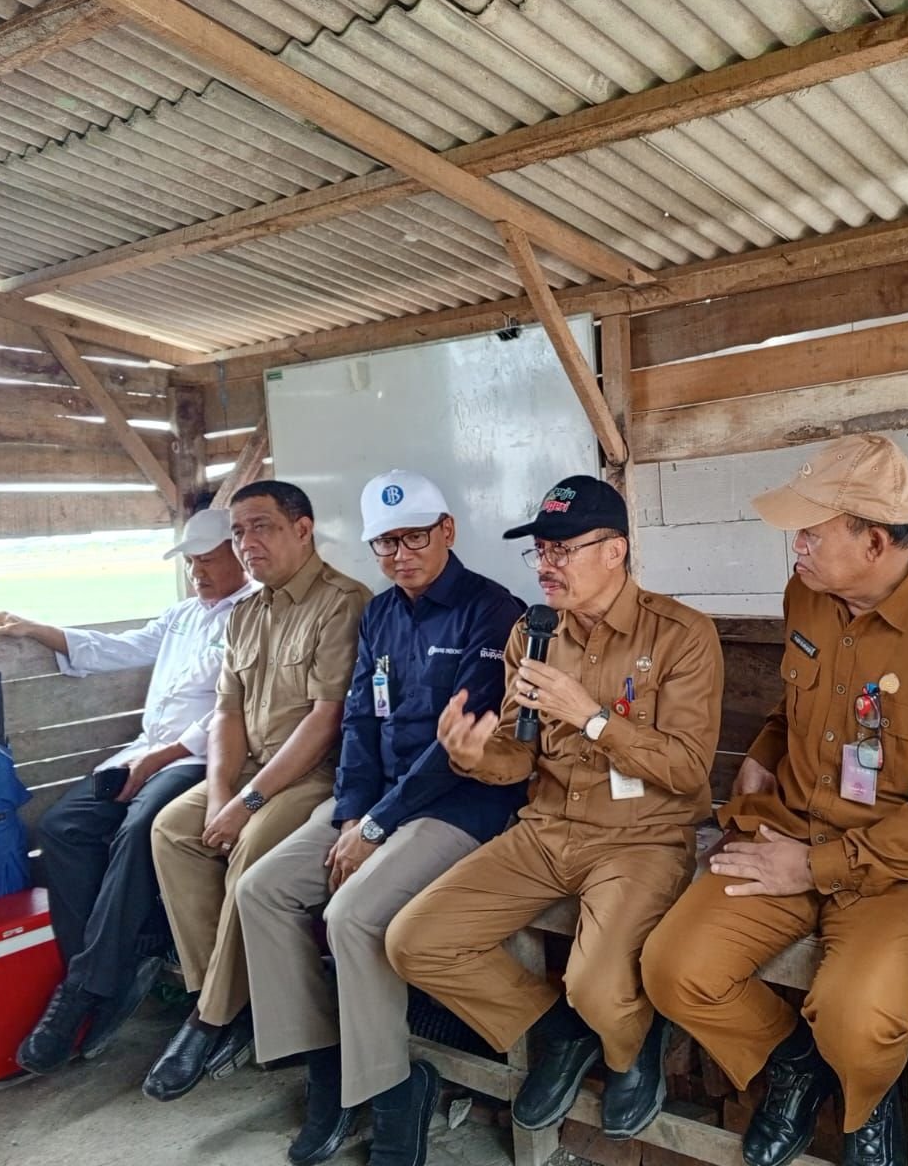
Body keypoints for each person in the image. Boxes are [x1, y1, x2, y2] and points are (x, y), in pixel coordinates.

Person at [641, 434, 908, 1166]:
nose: (795, 547)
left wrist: (811, 868)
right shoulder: (808, 595)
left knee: (854, 1016)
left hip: (902, 871)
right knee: (672, 967)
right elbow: (797, 707)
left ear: (873, 540)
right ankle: (793, 1066)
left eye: (810, 532)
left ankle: (867, 1102)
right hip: (791, 829)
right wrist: (764, 755)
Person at [386, 476, 724, 1143]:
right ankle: (558, 1032)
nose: (546, 564)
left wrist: (592, 718)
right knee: (414, 941)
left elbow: (687, 772)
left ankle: (629, 1047)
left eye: (564, 549)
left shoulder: (682, 634)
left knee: (596, 984)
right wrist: (471, 754)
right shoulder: (532, 634)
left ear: (615, 551)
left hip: (642, 839)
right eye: (540, 549)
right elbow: (519, 757)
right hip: (544, 831)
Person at [236, 470, 526, 1166]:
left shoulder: (495, 612)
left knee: (351, 915)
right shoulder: (379, 614)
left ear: (447, 532)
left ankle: (394, 1087)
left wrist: (374, 826)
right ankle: (327, 1064)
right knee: (263, 890)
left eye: (414, 537)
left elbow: (457, 748)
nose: (401, 554)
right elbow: (361, 724)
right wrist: (350, 815)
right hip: (379, 805)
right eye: (385, 543)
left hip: (461, 805)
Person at [0, 508, 257, 1072]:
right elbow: (119, 648)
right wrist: (35, 628)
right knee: (63, 827)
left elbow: (242, 708)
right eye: (191, 562)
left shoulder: (254, 616)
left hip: (200, 759)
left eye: (208, 560)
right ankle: (113, 965)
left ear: (238, 555)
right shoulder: (182, 615)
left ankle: (82, 991)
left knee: (141, 829)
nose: (198, 572)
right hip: (145, 750)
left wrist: (162, 757)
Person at [144, 480, 372, 1101]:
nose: (247, 544)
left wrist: (247, 805)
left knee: (252, 851)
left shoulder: (343, 602)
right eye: (239, 532)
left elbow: (326, 719)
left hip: (310, 778)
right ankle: (221, 993)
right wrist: (220, 794)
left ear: (303, 529)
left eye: (261, 527)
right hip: (247, 775)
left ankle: (209, 1020)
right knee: (171, 829)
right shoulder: (246, 612)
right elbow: (225, 716)